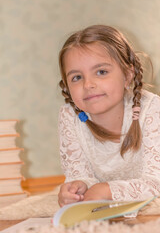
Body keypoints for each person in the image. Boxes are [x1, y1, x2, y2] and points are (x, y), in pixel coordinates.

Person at [57, 25, 160, 207]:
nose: (88, 84)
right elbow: (79, 174)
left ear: (128, 75)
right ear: (66, 85)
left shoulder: (151, 110)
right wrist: (76, 188)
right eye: (76, 77)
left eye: (101, 72)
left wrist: (108, 190)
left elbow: (156, 181)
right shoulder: (70, 116)